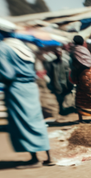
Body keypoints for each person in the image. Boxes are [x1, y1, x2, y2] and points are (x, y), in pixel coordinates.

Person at [0, 24, 54, 168]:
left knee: (23, 123)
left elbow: (8, 74)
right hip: (31, 87)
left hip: (17, 88)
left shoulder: (3, 48)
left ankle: (34, 159)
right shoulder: (23, 46)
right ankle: (49, 157)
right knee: (36, 120)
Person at [69, 35, 91, 124]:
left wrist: (74, 76)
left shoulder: (74, 51)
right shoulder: (85, 50)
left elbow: (75, 66)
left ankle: (81, 118)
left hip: (83, 76)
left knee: (81, 96)